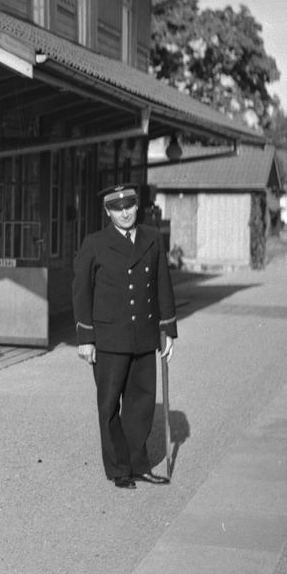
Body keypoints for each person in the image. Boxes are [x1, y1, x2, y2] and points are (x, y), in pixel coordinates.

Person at [73, 183, 176, 489]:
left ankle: (138, 465)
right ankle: (119, 469)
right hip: (109, 338)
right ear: (108, 212)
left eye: (129, 206)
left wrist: (168, 330)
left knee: (141, 404)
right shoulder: (94, 243)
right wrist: (85, 338)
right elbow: (82, 292)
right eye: (117, 209)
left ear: (137, 205)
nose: (125, 213)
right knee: (109, 406)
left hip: (143, 334)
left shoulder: (152, 238)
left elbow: (163, 283)